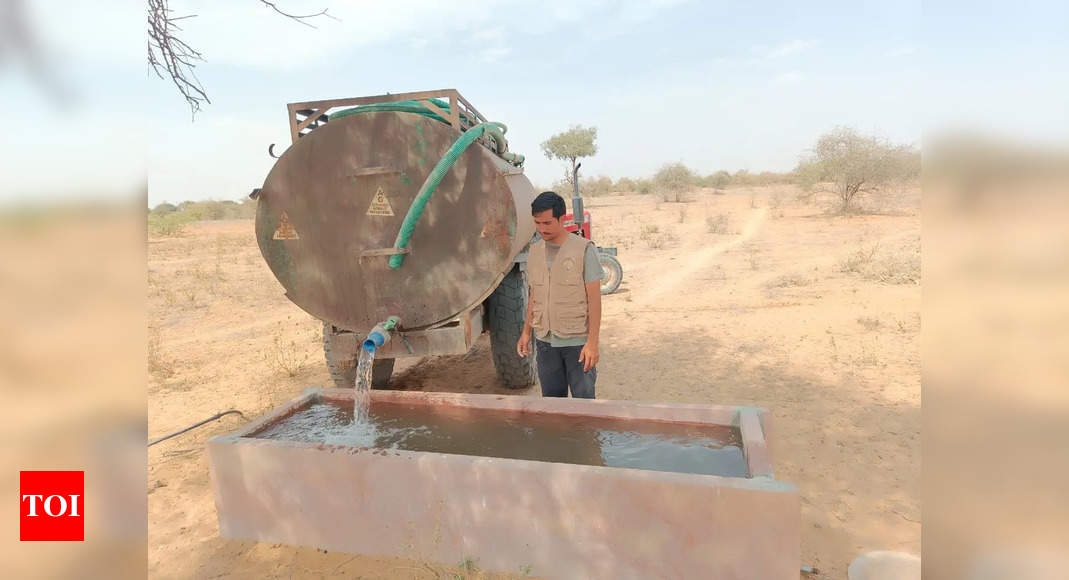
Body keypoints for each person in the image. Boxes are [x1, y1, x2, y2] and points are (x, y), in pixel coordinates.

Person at [516, 191, 604, 398]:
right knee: (552, 405)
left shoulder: (584, 250)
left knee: (583, 406)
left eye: (547, 223)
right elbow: (534, 295)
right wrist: (526, 332)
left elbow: (595, 301)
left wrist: (592, 343)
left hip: (577, 344)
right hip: (545, 343)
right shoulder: (534, 252)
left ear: (562, 219)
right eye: (537, 223)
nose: (541, 229)